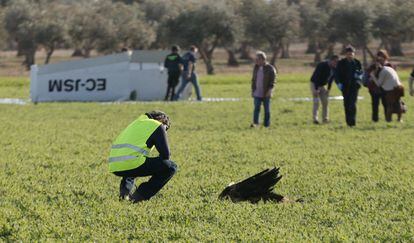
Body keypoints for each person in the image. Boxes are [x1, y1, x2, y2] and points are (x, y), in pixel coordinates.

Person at [108, 111, 177, 203]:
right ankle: (138, 197)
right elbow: (166, 155)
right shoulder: (157, 125)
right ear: (162, 122)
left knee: (132, 167)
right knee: (171, 167)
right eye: (166, 130)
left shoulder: (136, 123)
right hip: (131, 162)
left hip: (114, 165)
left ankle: (124, 195)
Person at [363, 50, 395, 122]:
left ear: (385, 57)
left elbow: (392, 76)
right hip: (374, 89)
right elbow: (368, 75)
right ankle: (375, 120)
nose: (380, 59)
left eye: (382, 57)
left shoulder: (388, 65)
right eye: (379, 57)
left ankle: (388, 119)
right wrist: (372, 75)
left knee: (386, 104)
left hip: (386, 88)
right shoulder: (372, 66)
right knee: (375, 105)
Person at [335, 46, 363, 127]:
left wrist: (359, 80)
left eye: (351, 54)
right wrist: (339, 83)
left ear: (354, 54)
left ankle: (353, 122)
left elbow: (361, 73)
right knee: (346, 104)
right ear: (345, 54)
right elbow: (337, 74)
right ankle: (348, 122)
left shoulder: (357, 62)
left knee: (353, 104)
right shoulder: (341, 63)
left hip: (354, 86)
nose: (349, 55)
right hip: (345, 86)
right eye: (348, 54)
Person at [250, 51, 276, 128]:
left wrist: (270, 90)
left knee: (267, 110)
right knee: (256, 109)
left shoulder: (270, 68)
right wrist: (252, 90)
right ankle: (255, 124)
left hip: (266, 92)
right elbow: (253, 80)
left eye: (257, 59)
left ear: (263, 59)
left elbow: (273, 81)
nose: (256, 61)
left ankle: (266, 125)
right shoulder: (255, 68)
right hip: (257, 92)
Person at [310, 55, 339, 124]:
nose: (336, 64)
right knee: (316, 102)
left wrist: (328, 89)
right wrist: (316, 89)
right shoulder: (322, 65)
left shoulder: (334, 68)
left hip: (323, 85)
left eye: (337, 62)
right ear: (331, 60)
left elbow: (331, 79)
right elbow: (317, 76)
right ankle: (315, 119)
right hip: (315, 83)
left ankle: (325, 119)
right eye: (335, 62)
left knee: (325, 102)